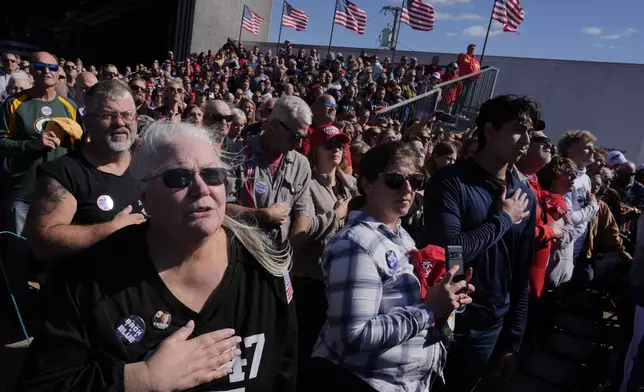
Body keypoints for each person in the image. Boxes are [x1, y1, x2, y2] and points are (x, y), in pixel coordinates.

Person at [17, 121, 297, 392]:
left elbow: (284, 370)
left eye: (212, 175)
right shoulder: (90, 279)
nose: (202, 189)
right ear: (145, 196)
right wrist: (139, 380)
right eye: (178, 178)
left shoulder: (265, 266)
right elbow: (41, 383)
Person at [301, 141, 475, 391]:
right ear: (367, 184)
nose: (407, 189)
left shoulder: (399, 233)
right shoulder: (355, 245)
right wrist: (428, 310)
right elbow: (353, 336)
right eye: (394, 180)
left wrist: (446, 298)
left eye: (415, 180)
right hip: (362, 381)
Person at [424, 95, 538, 392]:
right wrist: (502, 220)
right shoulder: (451, 182)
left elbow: (521, 271)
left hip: (491, 329)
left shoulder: (525, 195)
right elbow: (451, 254)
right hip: (445, 324)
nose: (526, 139)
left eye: (530, 131)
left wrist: (514, 339)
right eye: (518, 128)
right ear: (489, 131)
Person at [25, 80, 145, 268]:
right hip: (87, 292)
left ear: (136, 120)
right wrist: (109, 230)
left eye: (127, 115)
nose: (120, 122)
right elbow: (41, 241)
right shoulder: (63, 173)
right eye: (108, 115)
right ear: (87, 122)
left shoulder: (149, 167)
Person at [292, 124, 357, 365]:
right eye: (330, 145)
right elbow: (302, 231)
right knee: (306, 349)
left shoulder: (351, 183)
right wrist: (336, 215)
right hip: (311, 280)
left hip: (342, 279)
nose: (336, 150)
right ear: (316, 150)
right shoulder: (306, 184)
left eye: (340, 145)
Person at [0, 51, 82, 236]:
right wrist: (31, 145)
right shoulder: (13, 104)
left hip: (59, 195)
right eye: (41, 67)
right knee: (18, 251)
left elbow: (78, 149)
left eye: (52, 67)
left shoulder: (70, 106)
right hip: (23, 193)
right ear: (32, 72)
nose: (47, 71)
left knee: (52, 255)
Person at [225, 95, 314, 248]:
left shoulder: (301, 164)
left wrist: (289, 253)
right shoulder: (235, 154)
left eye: (304, 138)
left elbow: (303, 212)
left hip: (280, 257)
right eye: (296, 136)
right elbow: (223, 208)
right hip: (240, 252)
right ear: (274, 126)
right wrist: (262, 215)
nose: (299, 144)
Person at [515, 127, 563, 298]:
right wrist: (550, 231)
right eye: (542, 141)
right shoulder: (513, 182)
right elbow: (513, 230)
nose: (549, 145)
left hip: (532, 276)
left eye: (550, 142)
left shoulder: (533, 179)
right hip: (517, 277)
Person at [557, 130, 599, 286]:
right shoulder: (564, 175)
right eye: (587, 147)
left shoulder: (586, 178)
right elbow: (569, 217)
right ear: (570, 151)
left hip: (577, 248)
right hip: (561, 246)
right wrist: (593, 207)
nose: (593, 151)